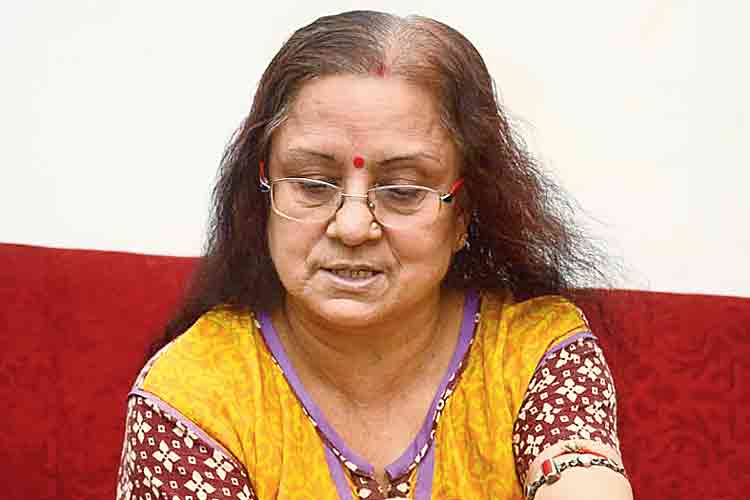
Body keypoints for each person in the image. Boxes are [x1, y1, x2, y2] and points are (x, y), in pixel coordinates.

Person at [116, 10, 632, 500]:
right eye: (313, 184)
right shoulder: (194, 393)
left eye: (403, 190)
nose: (352, 226)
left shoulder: (532, 351)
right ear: (263, 193)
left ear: (464, 213)